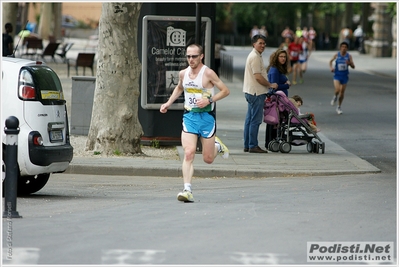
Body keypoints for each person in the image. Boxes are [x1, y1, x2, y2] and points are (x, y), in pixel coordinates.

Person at [160, 43, 230, 203]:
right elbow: (179, 88)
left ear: (201, 56)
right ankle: (187, 189)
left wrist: (209, 100)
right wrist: (168, 103)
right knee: (189, 153)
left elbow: (226, 90)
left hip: (206, 118)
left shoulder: (208, 73)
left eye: (194, 56)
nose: (191, 59)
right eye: (188, 56)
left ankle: (217, 147)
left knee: (208, 159)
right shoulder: (183, 73)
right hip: (189, 117)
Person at [243, 34, 278, 153]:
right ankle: (253, 145)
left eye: (264, 43)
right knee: (255, 120)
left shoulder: (255, 55)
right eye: (260, 43)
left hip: (251, 91)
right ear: (254, 44)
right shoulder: (255, 57)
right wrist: (270, 85)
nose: (263, 45)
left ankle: (247, 144)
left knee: (249, 119)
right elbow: (258, 77)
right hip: (256, 92)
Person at [265, 49, 291, 147]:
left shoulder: (278, 68)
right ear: (276, 57)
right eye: (281, 56)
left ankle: (271, 141)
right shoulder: (275, 70)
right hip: (276, 99)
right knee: (274, 120)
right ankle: (271, 141)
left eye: (284, 57)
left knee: (274, 120)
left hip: (280, 99)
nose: (283, 59)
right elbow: (274, 86)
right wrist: (286, 85)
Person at [329, 41, 355, 115]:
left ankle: (339, 106)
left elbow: (353, 66)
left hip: (345, 76)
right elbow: (330, 61)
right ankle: (335, 96)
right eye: (342, 47)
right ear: (340, 48)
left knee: (342, 92)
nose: (344, 48)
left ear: (347, 49)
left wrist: (350, 63)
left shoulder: (349, 56)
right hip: (337, 75)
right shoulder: (337, 55)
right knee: (337, 90)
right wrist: (331, 68)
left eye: (345, 47)